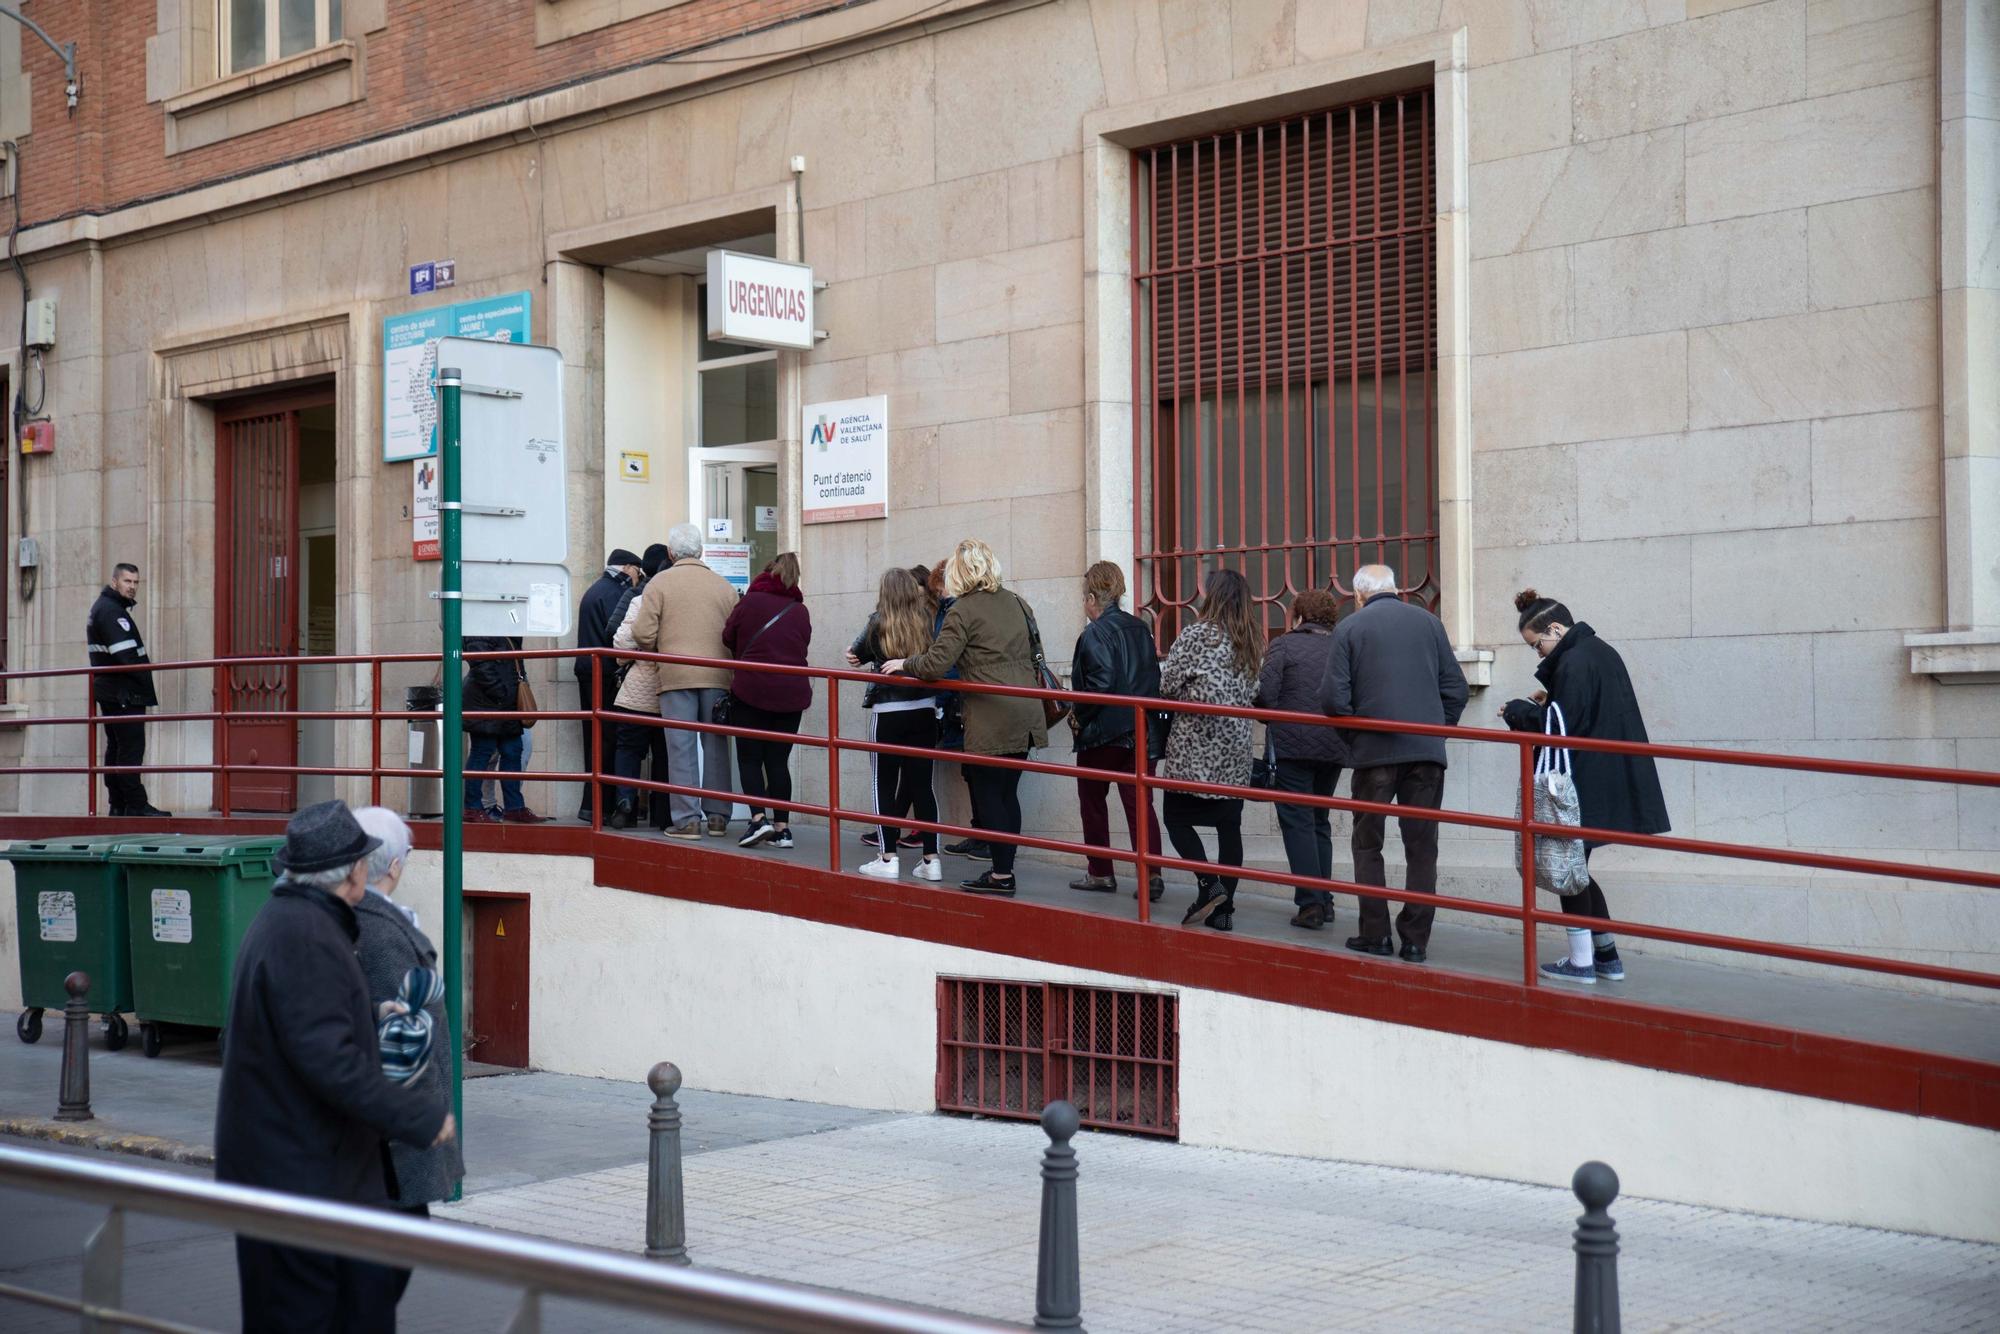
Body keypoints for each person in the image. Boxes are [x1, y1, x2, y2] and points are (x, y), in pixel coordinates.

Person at [216, 800, 455, 1334]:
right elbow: (328, 1061)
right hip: (298, 1177)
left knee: (346, 1305)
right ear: (352, 871)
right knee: (312, 1316)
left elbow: (301, 1028)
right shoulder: (307, 936)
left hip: (299, 1172)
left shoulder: (293, 921)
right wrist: (416, 1117)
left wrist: (368, 1016)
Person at [1503, 588, 1670, 985]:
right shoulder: (1598, 651)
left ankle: (1582, 963)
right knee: (1578, 869)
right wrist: (1549, 701)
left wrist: (1519, 711)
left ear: (1556, 628)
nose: (1539, 654)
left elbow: (1562, 726)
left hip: (1582, 782)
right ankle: (1607, 956)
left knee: (1568, 870)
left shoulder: (1574, 661)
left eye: (1537, 645)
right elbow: (1581, 712)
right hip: (1608, 776)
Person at [1319, 564, 1468, 964]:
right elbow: (1455, 688)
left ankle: (1376, 934)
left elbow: (1333, 699)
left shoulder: (1350, 628)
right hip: (1425, 754)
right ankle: (1416, 939)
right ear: (1396, 589)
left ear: (1359, 595)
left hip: (1374, 754)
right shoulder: (1429, 623)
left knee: (1368, 844)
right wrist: (1438, 732)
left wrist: (1356, 737)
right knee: (1423, 847)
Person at [882, 539, 1048, 895]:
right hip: (1025, 710)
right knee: (1008, 794)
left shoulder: (963, 609)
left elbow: (935, 663)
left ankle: (1002, 875)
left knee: (989, 794)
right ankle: (1004, 869)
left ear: (962, 573)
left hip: (990, 713)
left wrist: (904, 664)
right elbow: (1036, 653)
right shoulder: (1018, 602)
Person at [349, 808, 465, 1219]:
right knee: (392, 1257)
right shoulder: (381, 931)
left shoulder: (359, 918)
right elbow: (404, 1045)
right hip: (393, 1151)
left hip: (380, 1144)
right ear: (395, 866)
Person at [1158, 569, 1262, 932]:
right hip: (1234, 747)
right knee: (1228, 827)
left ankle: (1208, 885)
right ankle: (1224, 910)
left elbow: (1167, 686)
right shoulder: (1250, 639)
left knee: (1175, 818)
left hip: (1195, 744)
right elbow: (1254, 692)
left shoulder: (1196, 634)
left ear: (1211, 597)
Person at [634, 523, 738, 840]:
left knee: (681, 749)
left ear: (670, 553)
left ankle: (687, 821)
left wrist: (657, 648)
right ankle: (719, 817)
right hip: (718, 675)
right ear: (701, 551)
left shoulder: (660, 584)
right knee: (717, 745)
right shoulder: (724, 586)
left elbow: (642, 633)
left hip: (676, 674)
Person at [1068, 561, 1165, 902]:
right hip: (1142, 730)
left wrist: (1079, 714)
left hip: (1106, 732)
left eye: (1084, 597)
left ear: (1093, 597)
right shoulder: (1140, 628)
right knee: (1141, 803)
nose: (1084, 604)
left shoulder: (1094, 633)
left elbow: (1101, 684)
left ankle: (1100, 872)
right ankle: (1151, 872)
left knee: (1092, 800)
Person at [1256, 588, 1351, 931]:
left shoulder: (1284, 644)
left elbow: (1265, 695)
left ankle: (1310, 903)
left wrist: (1268, 717)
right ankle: (1325, 901)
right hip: (1335, 747)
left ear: (1298, 615)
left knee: (1297, 821)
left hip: (1294, 746)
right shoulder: (1342, 645)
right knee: (1319, 820)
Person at [851, 567, 945, 881]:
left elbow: (856, 651)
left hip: (888, 711)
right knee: (923, 786)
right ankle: (931, 861)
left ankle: (888, 857)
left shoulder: (878, 621)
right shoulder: (927, 621)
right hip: (924, 710)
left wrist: (858, 657)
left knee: (884, 784)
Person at [725, 552, 813, 849]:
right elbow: (803, 643)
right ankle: (783, 829)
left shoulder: (750, 601)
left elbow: (728, 636)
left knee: (750, 758)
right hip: (792, 694)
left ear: (767, 571)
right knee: (778, 761)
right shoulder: (799, 609)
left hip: (752, 689)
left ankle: (757, 819)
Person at [87, 563, 169, 818]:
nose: (132, 587)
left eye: (136, 582)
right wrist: (143, 675)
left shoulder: (106, 608)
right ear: (114, 582)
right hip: (124, 692)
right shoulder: (112, 612)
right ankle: (134, 804)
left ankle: (119, 803)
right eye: (127, 581)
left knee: (117, 747)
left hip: (114, 690)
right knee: (130, 749)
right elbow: (125, 657)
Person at [926, 559, 992, 862]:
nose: (938, 595)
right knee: (973, 772)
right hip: (961, 698)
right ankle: (980, 834)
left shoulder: (958, 610)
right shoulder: (953, 608)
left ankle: (988, 841)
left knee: (981, 774)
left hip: (965, 699)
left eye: (939, 588)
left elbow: (945, 659)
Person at [573, 548, 643, 821]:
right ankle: (604, 806)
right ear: (627, 568)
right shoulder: (615, 593)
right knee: (610, 740)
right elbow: (618, 635)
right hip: (604, 673)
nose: (639, 578)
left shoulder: (595, 589)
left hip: (589, 671)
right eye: (638, 572)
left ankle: (591, 806)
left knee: (596, 740)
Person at [607, 558, 671, 831]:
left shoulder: (641, 601)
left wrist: (636, 654)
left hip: (637, 690)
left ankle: (625, 804)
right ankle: (663, 814)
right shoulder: (683, 604)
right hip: (672, 689)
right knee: (666, 754)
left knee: (629, 750)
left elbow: (620, 643)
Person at [461, 636, 543, 822]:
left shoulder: (504, 627)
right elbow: (480, 664)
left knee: (513, 750)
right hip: (488, 700)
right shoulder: (482, 627)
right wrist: (503, 693)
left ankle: (514, 807)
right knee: (483, 751)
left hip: (503, 698)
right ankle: (473, 807)